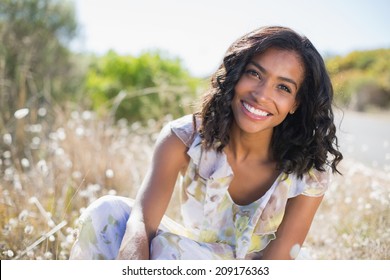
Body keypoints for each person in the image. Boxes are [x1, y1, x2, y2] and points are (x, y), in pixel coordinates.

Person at [69, 26, 343, 260]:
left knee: (171, 253)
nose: (261, 95)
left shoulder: (309, 172)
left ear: (296, 104)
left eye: (283, 87)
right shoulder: (185, 138)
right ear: (236, 75)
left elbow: (280, 261)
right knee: (107, 213)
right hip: (191, 254)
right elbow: (142, 222)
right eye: (255, 74)